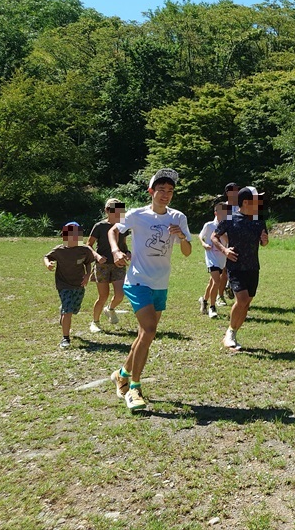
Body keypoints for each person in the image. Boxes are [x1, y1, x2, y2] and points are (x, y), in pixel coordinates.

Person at [108, 169, 193, 412]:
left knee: (144, 336)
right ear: (151, 191)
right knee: (149, 330)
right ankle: (134, 389)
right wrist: (115, 251)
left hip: (160, 283)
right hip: (137, 281)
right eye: (161, 190)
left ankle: (122, 374)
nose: (166, 195)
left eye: (170, 191)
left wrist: (182, 237)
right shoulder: (137, 214)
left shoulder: (178, 217)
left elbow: (187, 252)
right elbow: (113, 230)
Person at [213, 186, 269, 352]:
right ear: (245, 202)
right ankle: (230, 333)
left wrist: (265, 240)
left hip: (253, 267)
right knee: (242, 300)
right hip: (235, 266)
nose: (259, 202)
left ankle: (233, 332)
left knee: (246, 303)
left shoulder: (259, 220)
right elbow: (214, 236)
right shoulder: (230, 218)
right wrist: (224, 250)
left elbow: (264, 243)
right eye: (256, 199)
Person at [43, 222, 98, 349]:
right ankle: (65, 338)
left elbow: (88, 262)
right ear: (64, 236)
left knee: (74, 309)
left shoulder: (84, 250)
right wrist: (48, 264)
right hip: (63, 284)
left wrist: (87, 275)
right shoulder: (59, 250)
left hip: (79, 284)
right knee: (68, 310)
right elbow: (47, 256)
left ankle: (63, 312)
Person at [87, 199, 129, 333]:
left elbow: (123, 245)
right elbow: (88, 245)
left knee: (120, 294)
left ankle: (110, 309)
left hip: (119, 264)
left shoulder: (123, 226)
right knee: (103, 296)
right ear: (107, 211)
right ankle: (95, 322)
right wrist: (97, 256)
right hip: (102, 266)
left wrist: (127, 253)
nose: (119, 214)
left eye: (121, 211)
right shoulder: (99, 226)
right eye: (116, 211)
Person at [198, 196, 229, 319]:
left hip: (222, 258)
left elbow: (228, 241)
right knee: (217, 281)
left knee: (212, 282)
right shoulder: (209, 225)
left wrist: (223, 233)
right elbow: (200, 236)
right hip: (211, 257)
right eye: (222, 212)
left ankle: (204, 300)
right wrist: (204, 244)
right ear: (216, 213)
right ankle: (212, 307)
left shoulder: (228, 226)